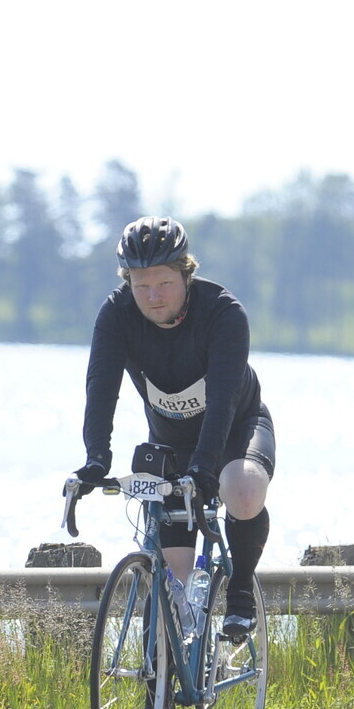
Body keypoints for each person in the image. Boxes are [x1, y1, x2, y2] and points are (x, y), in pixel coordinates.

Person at [77, 215, 274, 646]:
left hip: (235, 429)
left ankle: (241, 591)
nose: (153, 296)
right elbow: (101, 387)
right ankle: (162, 686)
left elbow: (222, 401)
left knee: (241, 490)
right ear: (128, 282)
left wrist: (204, 470)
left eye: (164, 283)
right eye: (141, 285)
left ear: (187, 273)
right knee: (173, 579)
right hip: (170, 442)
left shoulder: (222, 313)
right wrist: (96, 458)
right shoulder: (117, 315)